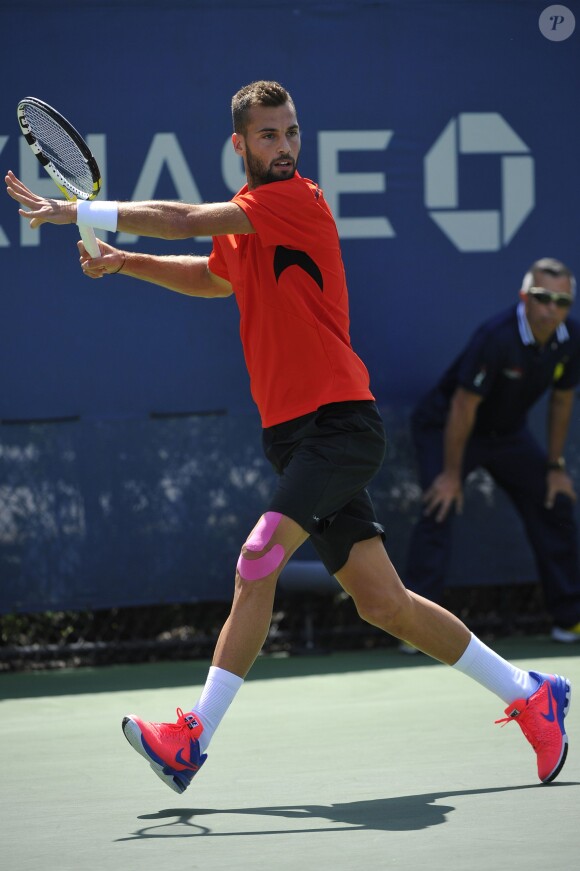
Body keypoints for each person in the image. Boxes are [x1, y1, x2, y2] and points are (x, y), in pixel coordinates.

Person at [5, 82, 572, 792]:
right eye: (268, 136)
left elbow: (182, 220)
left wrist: (83, 212)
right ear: (240, 144)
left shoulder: (294, 200)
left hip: (339, 424)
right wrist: (125, 261)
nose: (284, 147)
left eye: (292, 133)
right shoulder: (251, 222)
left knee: (257, 557)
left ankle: (191, 738)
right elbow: (216, 276)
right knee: (383, 602)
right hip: (294, 436)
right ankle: (530, 692)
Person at [404, 258, 580, 649]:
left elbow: (562, 401)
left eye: (562, 300)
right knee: (440, 505)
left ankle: (569, 619)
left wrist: (555, 466)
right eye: (542, 297)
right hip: (446, 425)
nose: (552, 308)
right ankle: (414, 628)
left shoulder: (570, 338)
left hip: (508, 435)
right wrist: (451, 476)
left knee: (555, 502)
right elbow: (463, 406)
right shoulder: (496, 337)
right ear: (524, 298)